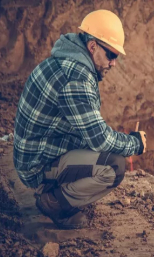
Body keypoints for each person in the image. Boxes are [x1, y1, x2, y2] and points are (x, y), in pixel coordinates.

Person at [13, 10, 146, 230]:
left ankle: (59, 191)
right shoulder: (76, 80)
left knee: (102, 151)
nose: (114, 63)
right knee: (114, 166)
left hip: (36, 153)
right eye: (111, 55)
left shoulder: (65, 61)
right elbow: (100, 140)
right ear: (93, 47)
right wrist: (135, 143)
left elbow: (89, 132)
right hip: (35, 167)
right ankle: (53, 202)